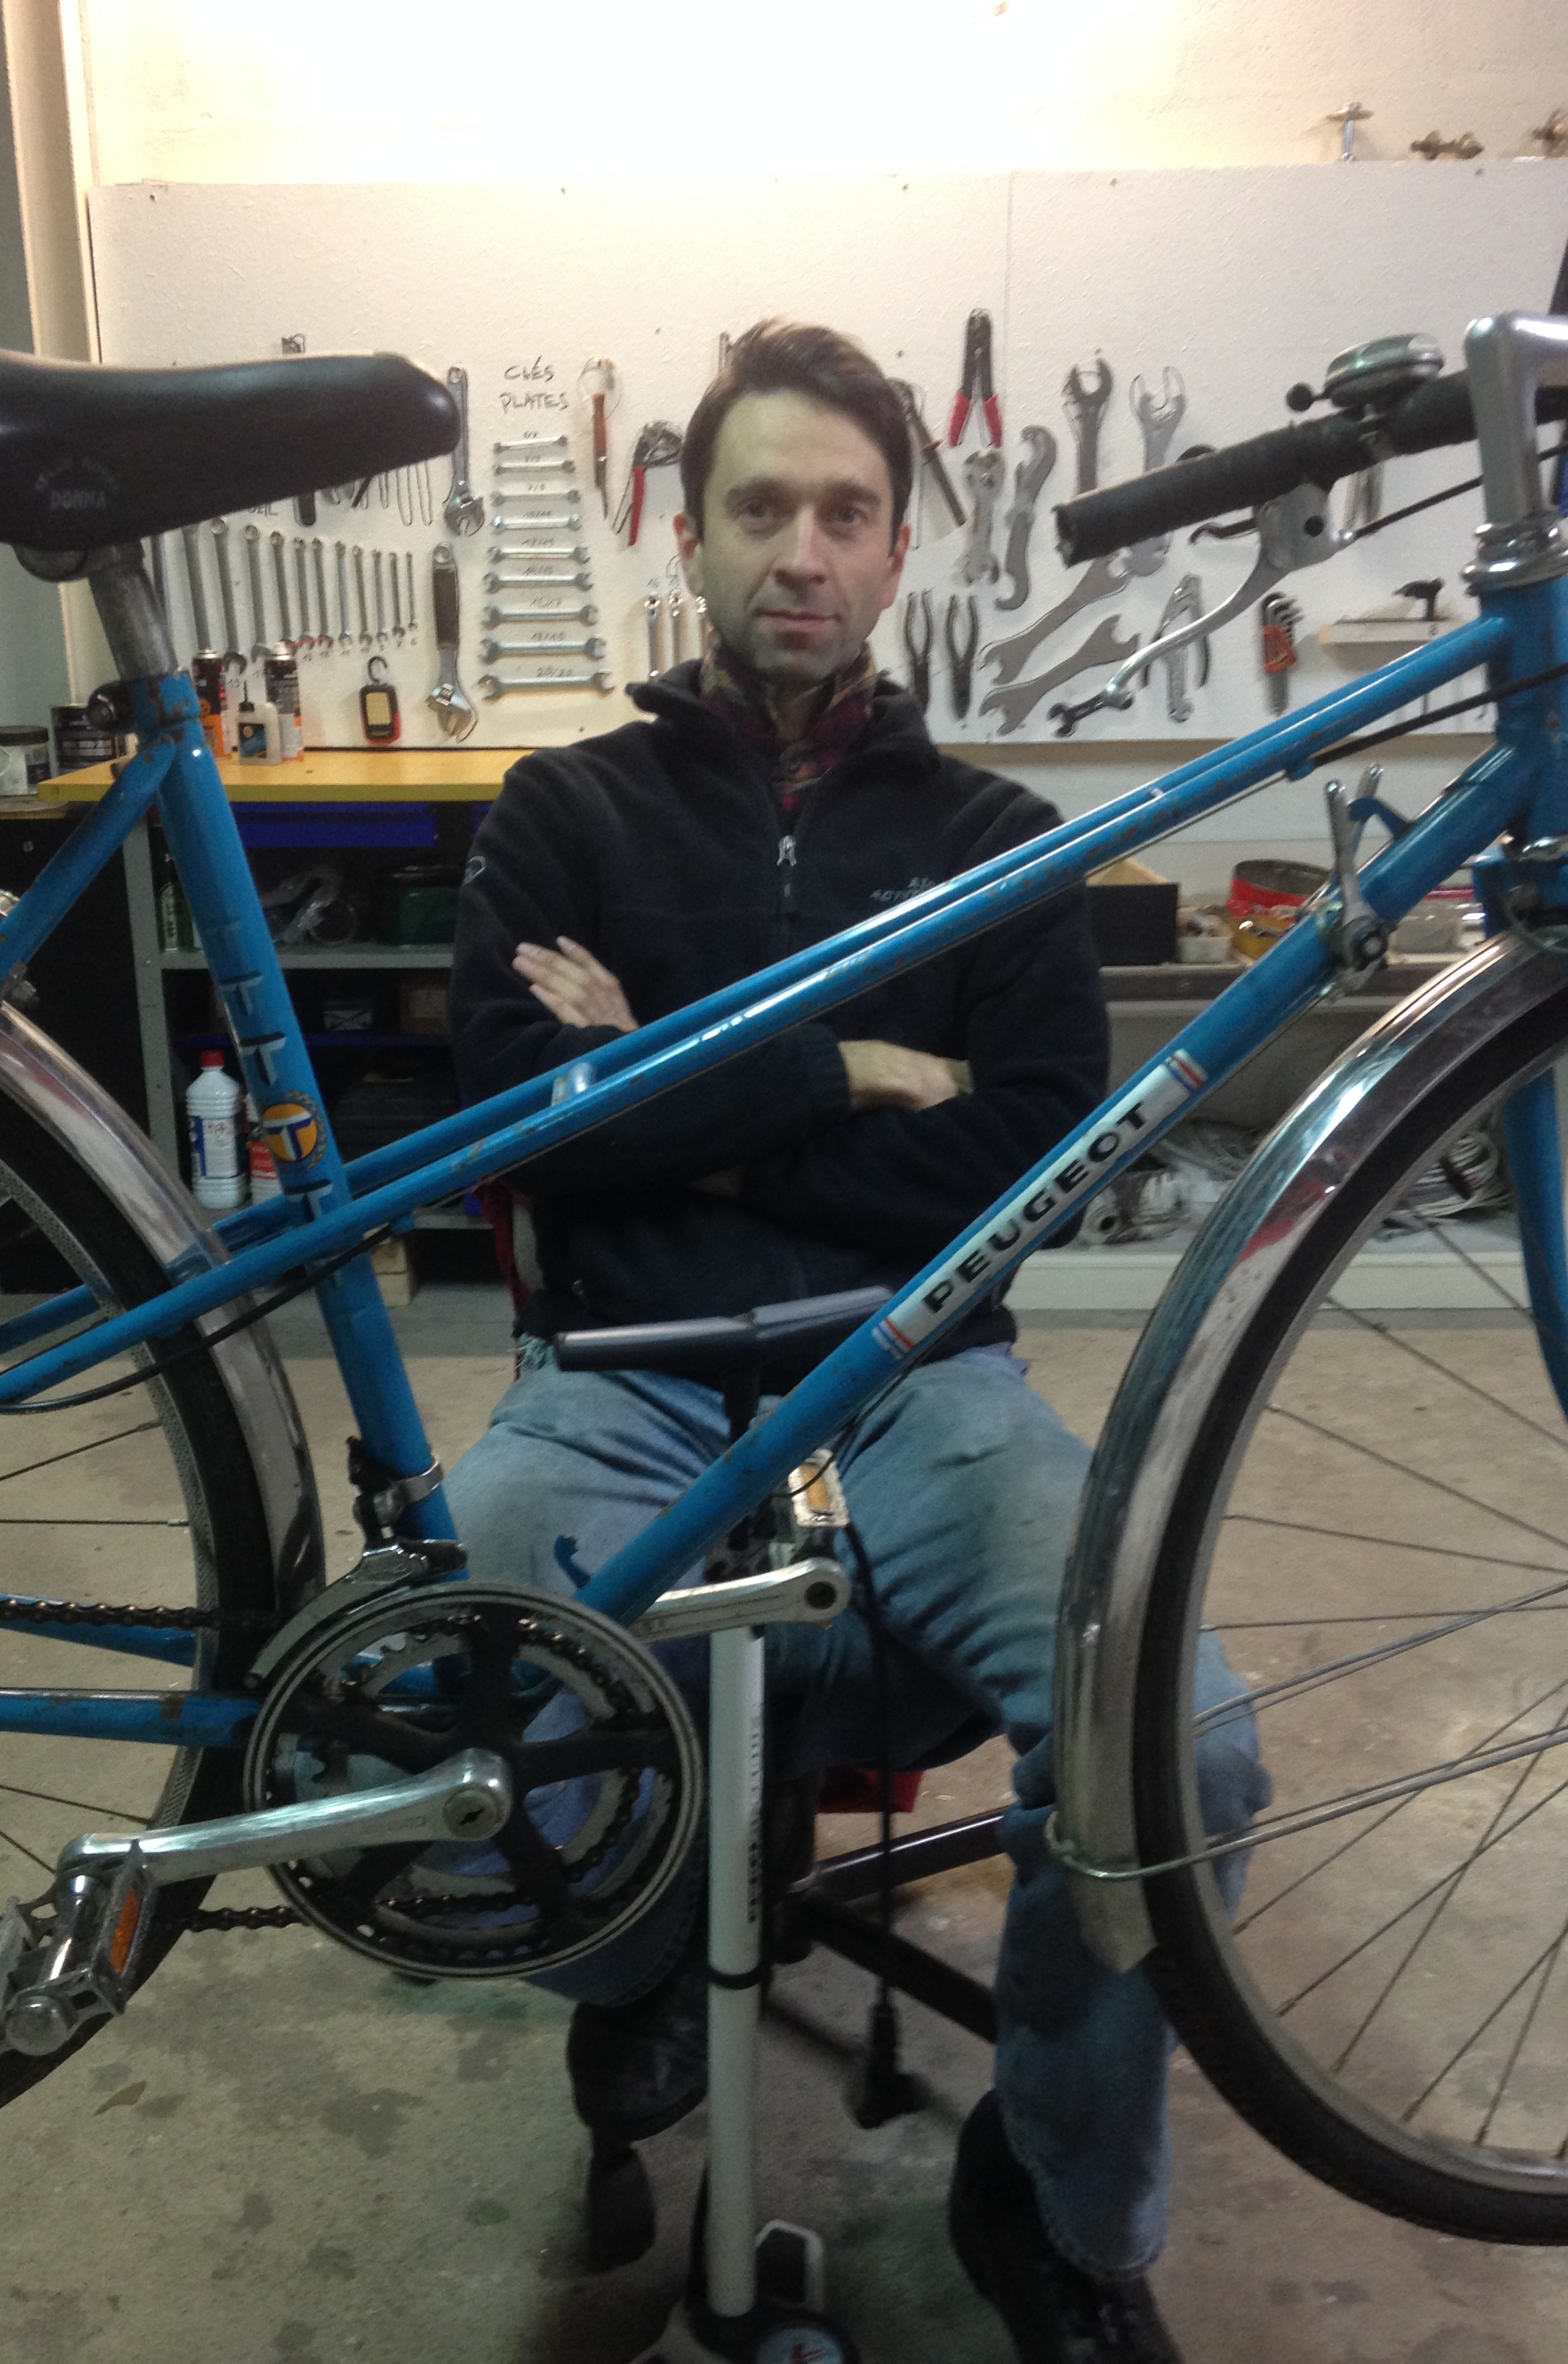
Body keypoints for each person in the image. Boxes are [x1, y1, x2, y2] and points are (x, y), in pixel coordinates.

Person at [445, 321, 1266, 2364]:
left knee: (1186, 1750)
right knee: (463, 1721)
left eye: (844, 512)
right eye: (759, 508)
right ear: (688, 535)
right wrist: (858, 1069)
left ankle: (1056, 2196)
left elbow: (1030, 1158)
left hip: (920, 1383)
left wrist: (661, 1076)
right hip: (617, 1380)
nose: (799, 553)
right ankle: (645, 1951)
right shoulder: (562, 809)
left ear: (901, 548)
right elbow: (515, 1120)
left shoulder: (1004, 842)